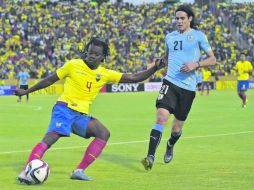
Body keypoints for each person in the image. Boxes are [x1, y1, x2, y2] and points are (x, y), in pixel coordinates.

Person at [14, 37, 165, 184]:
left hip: (81, 116)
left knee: (103, 133)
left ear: (103, 57)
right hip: (64, 109)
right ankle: (26, 171)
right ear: (86, 51)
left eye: (96, 54)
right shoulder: (73, 65)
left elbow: (134, 78)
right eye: (90, 52)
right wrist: (26, 91)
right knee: (51, 138)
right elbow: (49, 80)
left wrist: (155, 68)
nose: (92, 56)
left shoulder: (105, 73)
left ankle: (79, 171)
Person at [141, 4, 216, 171]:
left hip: (188, 89)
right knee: (161, 117)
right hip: (170, 82)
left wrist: (196, 64)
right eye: (177, 18)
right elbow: (167, 57)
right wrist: (156, 63)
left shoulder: (198, 36)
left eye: (182, 18)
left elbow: (212, 59)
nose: (179, 21)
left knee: (176, 129)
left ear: (190, 19)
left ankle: (170, 144)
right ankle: (150, 156)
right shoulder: (170, 37)